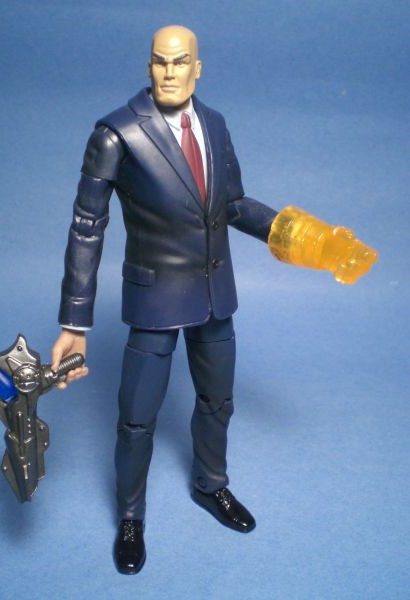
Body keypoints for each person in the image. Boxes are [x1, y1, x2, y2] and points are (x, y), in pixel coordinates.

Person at [51, 25, 377, 575]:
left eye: (180, 62)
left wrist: (312, 241)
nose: (170, 72)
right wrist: (74, 324)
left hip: (213, 295)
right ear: (148, 66)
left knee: (217, 402)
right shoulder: (117, 134)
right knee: (137, 418)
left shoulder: (216, 125)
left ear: (197, 68)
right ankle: (130, 515)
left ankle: (210, 484)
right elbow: (87, 226)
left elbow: (234, 204)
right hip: (155, 300)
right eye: (160, 62)